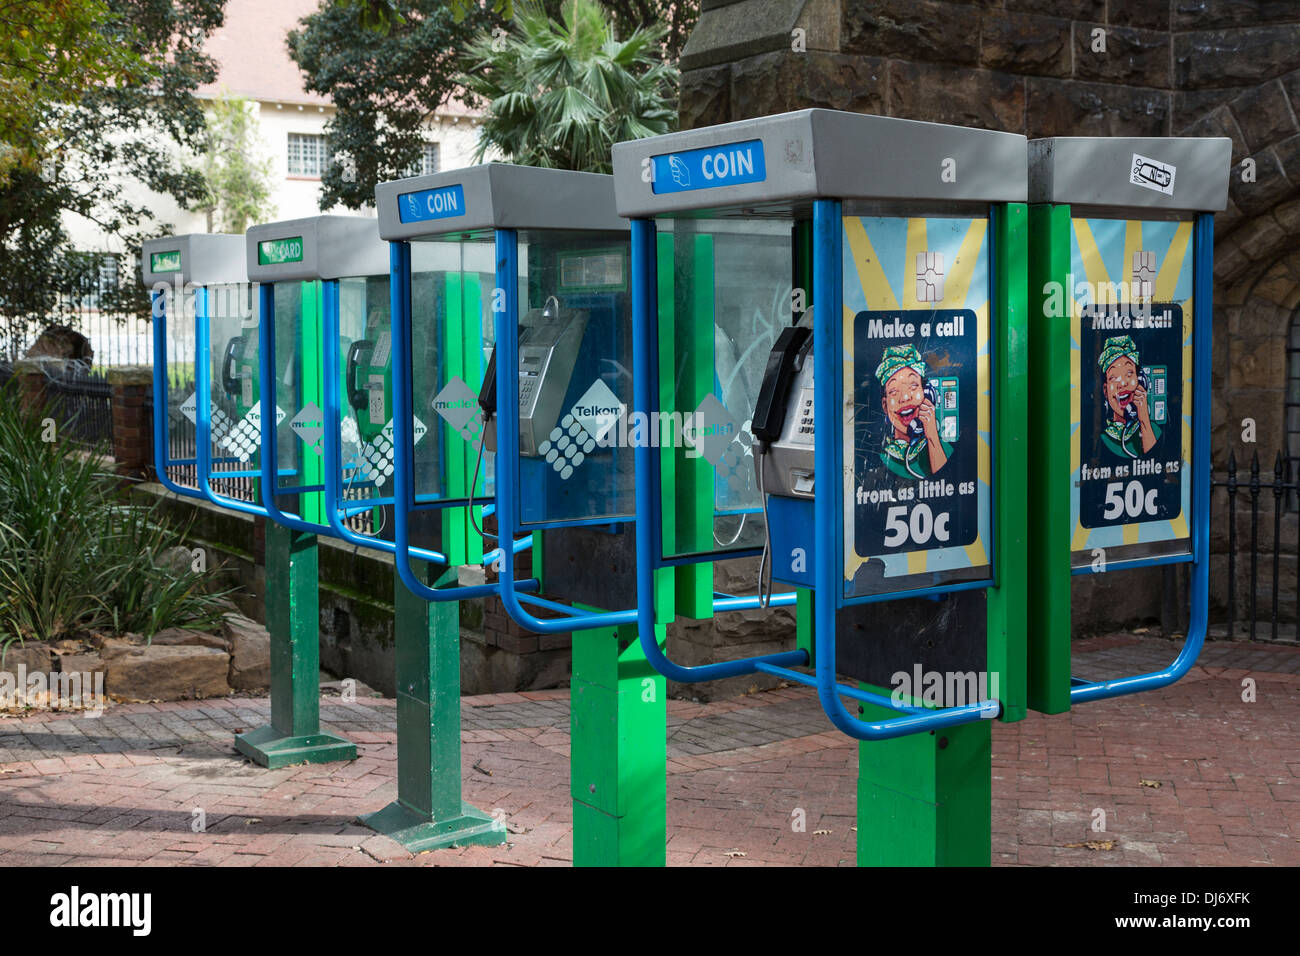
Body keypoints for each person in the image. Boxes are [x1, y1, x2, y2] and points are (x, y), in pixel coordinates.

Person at [875, 344, 951, 479]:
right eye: (894, 391)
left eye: (913, 386)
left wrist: (932, 438)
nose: (905, 398)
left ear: (927, 393)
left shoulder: (944, 449)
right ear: (885, 405)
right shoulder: (879, 459)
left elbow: (948, 478)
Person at [1098, 335, 1159, 458]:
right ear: (1105, 390)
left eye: (1129, 373)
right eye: (1113, 377)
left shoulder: (1154, 430)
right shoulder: (1103, 439)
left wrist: (1144, 420)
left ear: (1141, 380)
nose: (1122, 383)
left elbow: (1156, 458)